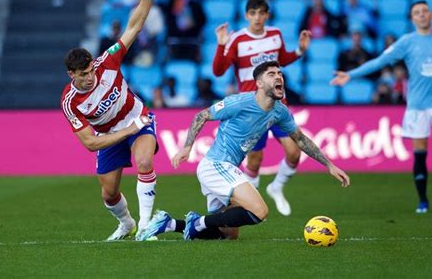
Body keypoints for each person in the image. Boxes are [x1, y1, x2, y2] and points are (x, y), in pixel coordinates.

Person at [136, 61, 350, 241]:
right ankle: (198, 222)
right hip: (216, 165)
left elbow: (300, 139)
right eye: (272, 74)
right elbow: (201, 116)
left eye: (280, 74)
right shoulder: (239, 102)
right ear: (259, 83)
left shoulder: (280, 112)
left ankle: (171, 224)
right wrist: (187, 147)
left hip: (226, 169)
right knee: (260, 212)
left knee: (229, 233)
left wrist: (329, 165)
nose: (279, 77)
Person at [60, 0, 160, 241]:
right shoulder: (70, 102)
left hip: (138, 119)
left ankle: (146, 225)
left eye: (91, 70)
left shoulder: (108, 61)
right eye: (83, 74)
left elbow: (134, 26)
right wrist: (125, 132)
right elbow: (90, 143)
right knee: (109, 192)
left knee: (143, 162)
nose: (91, 77)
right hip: (110, 135)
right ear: (72, 75)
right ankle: (127, 223)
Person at [331, 0, 432, 213]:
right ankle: (423, 201)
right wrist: (351, 74)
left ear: (431, 15)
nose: (421, 15)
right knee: (420, 154)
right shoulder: (407, 42)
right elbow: (380, 62)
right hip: (418, 105)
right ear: (412, 19)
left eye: (424, 11)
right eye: (416, 12)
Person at [212, 0, 311, 216]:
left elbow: (281, 60)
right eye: (253, 13)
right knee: (255, 161)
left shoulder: (275, 35)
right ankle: (253, 204)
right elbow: (218, 71)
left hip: (277, 105)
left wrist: (299, 51)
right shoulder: (237, 40)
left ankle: (276, 187)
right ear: (247, 15)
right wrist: (221, 45)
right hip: (252, 109)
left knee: (295, 152)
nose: (257, 17)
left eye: (261, 13)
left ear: (267, 15)